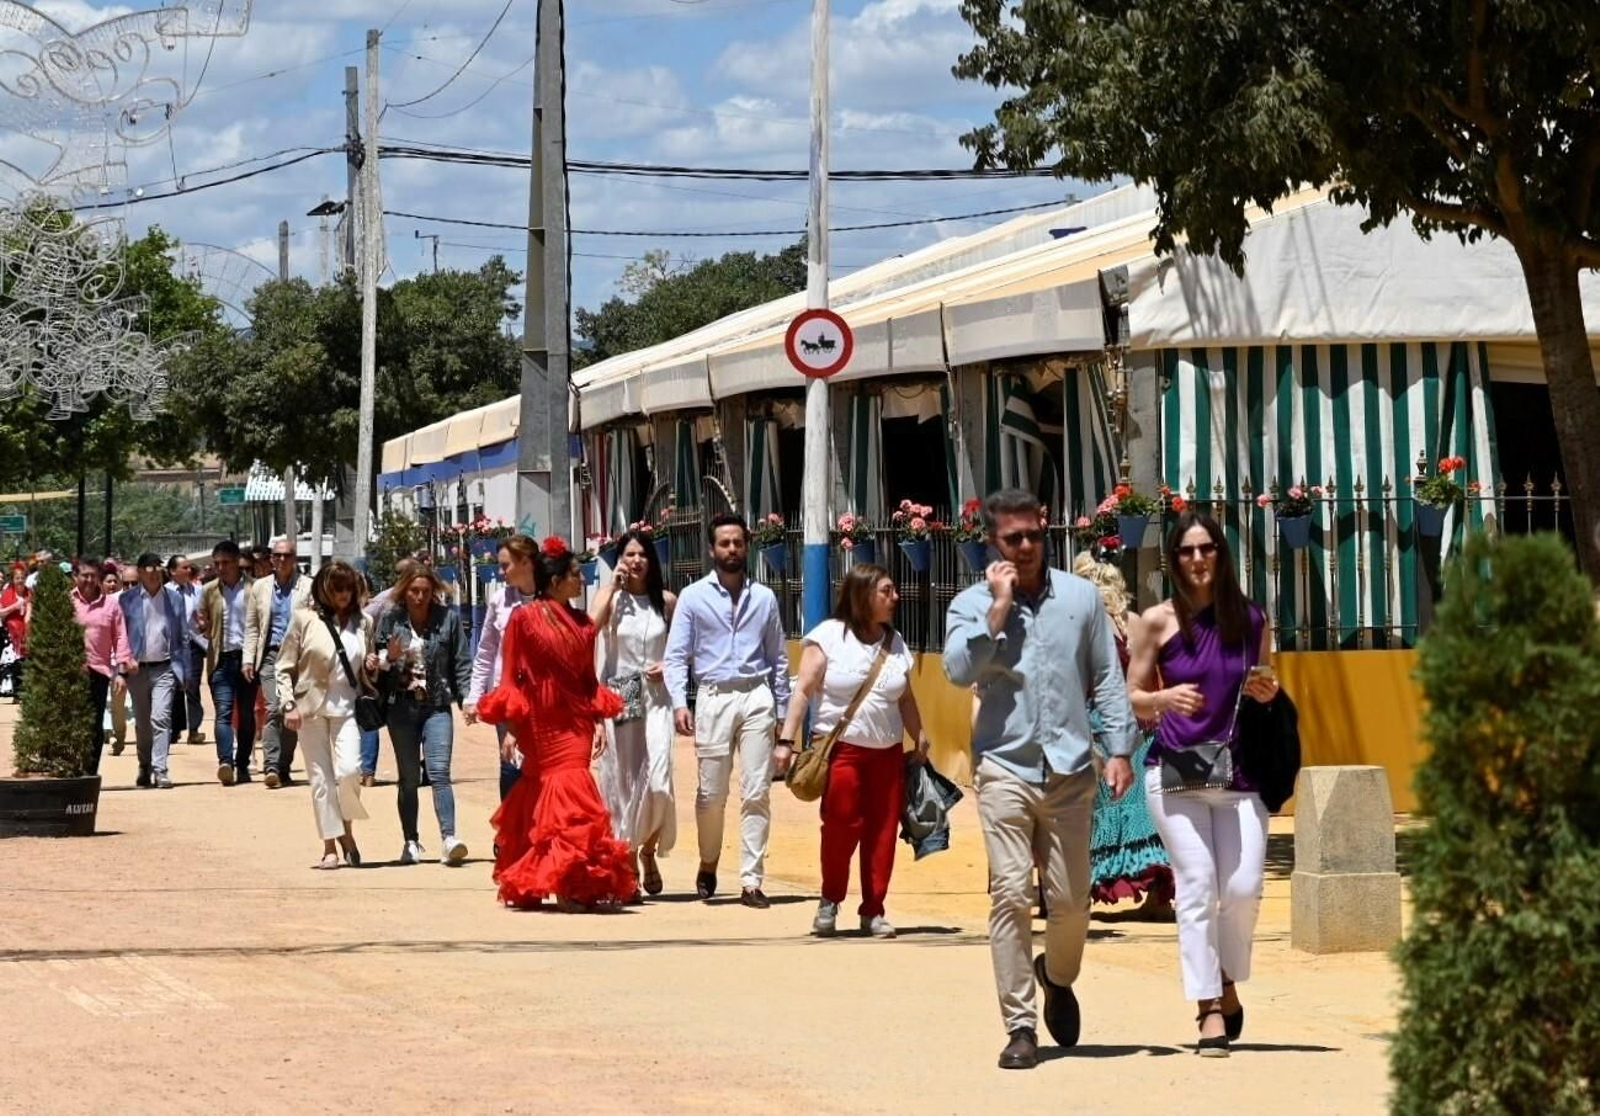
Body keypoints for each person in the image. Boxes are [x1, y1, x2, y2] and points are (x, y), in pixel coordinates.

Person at [942, 488, 1137, 1071]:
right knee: (1008, 893)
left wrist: (1120, 748)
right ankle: (1021, 1026)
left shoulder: (1080, 599)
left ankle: (1058, 976)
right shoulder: (972, 603)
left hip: (1072, 770)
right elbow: (957, 671)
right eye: (1013, 539)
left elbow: (1105, 676)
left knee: (1072, 901)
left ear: (1045, 530)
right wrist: (997, 613)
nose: (1026, 547)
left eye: (1033, 535)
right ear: (992, 545)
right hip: (1004, 765)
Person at [1127, 511, 1282, 1058]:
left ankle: (1227, 980)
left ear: (1221, 554)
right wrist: (1163, 699)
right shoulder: (1157, 621)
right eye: (1188, 550)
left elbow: (1263, 681)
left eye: (1207, 549)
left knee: (1241, 890)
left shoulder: (1252, 619)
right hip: (1176, 773)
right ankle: (1208, 1009)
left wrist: (1267, 690)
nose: (1197, 559)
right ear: (1175, 559)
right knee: (1197, 884)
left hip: (1241, 773)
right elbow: (1130, 696)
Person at [479, 536, 635, 909]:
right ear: (556, 582)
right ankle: (551, 877)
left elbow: (587, 678)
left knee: (572, 790)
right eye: (575, 575)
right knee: (544, 793)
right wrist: (513, 728)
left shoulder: (581, 621)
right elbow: (511, 676)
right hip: (540, 721)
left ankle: (569, 880)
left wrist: (598, 720)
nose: (580, 581)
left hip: (576, 723)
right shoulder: (522, 618)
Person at [780, 563, 927, 939]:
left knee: (881, 832)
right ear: (863, 595)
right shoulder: (828, 636)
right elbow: (803, 691)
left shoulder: (895, 643)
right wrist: (786, 740)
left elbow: (906, 697)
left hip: (887, 753)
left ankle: (873, 909)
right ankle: (830, 898)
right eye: (887, 591)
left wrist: (920, 735)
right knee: (841, 825)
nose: (895, 598)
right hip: (841, 751)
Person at [663, 513, 792, 909]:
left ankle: (751, 880)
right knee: (710, 794)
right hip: (713, 697)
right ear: (712, 549)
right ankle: (708, 860)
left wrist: (784, 716)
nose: (732, 549)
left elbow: (779, 659)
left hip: (756, 696)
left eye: (738, 542)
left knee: (757, 792)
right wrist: (678, 703)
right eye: (724, 543)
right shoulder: (693, 597)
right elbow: (675, 657)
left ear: (747, 546)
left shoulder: (765, 598)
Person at [1071, 552, 1174, 918]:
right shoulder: (1134, 622)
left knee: (1100, 810)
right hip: (1143, 725)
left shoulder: (1083, 625)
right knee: (1148, 810)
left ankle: (1083, 893)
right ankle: (1159, 898)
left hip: (1102, 728)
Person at [591, 529, 678, 899]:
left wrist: (668, 666)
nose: (636, 561)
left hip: (656, 693)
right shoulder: (611, 600)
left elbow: (682, 649)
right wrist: (611, 588)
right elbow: (588, 631)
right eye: (629, 554)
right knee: (623, 781)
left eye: (642, 554)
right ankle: (627, 859)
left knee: (659, 778)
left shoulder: (668, 601)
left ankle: (648, 849)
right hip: (621, 689)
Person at [275, 560, 374, 869]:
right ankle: (330, 846)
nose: (344, 595)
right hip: (310, 708)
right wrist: (288, 703)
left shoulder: (365, 622)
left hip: (348, 707)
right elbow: (283, 666)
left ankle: (347, 829)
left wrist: (373, 665)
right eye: (337, 588)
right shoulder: (304, 619)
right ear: (324, 589)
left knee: (349, 771)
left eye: (348, 588)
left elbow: (367, 671)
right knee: (321, 779)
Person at [377, 565, 472, 866]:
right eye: (414, 591)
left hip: (437, 705)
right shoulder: (391, 620)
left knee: (440, 773)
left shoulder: (448, 620)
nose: (420, 597)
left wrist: (467, 698)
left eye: (426, 592)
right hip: (401, 707)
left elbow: (461, 662)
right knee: (408, 778)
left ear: (434, 592)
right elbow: (375, 662)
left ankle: (449, 838)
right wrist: (387, 658)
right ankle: (411, 841)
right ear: (404, 591)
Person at [465, 539, 537, 800]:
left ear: (526, 562)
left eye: (505, 565)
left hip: (544, 697)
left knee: (543, 766)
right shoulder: (499, 601)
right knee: (511, 765)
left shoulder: (552, 597)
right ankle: (509, 835)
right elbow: (485, 651)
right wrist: (473, 697)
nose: (500, 572)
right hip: (508, 696)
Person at [116, 553, 190, 789]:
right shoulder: (127, 600)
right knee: (142, 723)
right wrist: (124, 663)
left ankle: (161, 769)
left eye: (156, 568)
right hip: (137, 669)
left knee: (161, 718)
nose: (153, 573)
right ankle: (144, 765)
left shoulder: (174, 599)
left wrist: (185, 671)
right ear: (139, 573)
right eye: (148, 569)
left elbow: (183, 636)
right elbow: (121, 636)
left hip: (165, 667)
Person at [246, 540, 313, 789]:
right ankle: (271, 765)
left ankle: (284, 766)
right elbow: (252, 626)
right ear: (271, 559)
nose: (282, 560)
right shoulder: (260, 588)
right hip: (271, 656)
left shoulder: (308, 586)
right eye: (278, 555)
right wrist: (248, 659)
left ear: (295, 559)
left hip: (300, 657)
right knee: (274, 707)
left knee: (292, 711)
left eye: (288, 555)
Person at [196, 540, 256, 785]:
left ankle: (242, 764)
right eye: (216, 563)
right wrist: (203, 626)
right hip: (221, 659)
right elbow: (203, 620)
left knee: (246, 715)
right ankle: (225, 762)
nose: (220, 567)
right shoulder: (209, 590)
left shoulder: (255, 588)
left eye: (225, 563)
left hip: (248, 660)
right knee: (223, 712)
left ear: (237, 562)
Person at [71, 556, 132, 778]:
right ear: (75, 577)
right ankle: (72, 768)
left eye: (92, 576)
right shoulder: (67, 603)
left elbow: (121, 639)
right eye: (84, 575)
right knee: (73, 723)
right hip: (71, 673)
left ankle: (89, 772)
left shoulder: (111, 605)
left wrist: (122, 673)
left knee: (94, 724)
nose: (88, 580)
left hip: (99, 672)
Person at [166, 555, 207, 746]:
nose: (188, 571)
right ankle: (174, 729)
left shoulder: (199, 592)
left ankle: (194, 729)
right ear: (172, 571)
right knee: (173, 687)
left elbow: (204, 617)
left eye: (189, 568)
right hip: (171, 646)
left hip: (193, 644)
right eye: (184, 568)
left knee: (192, 686)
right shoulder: (164, 592)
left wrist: (203, 623)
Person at [100, 562, 133, 755]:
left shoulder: (140, 601)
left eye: (134, 584)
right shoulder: (105, 603)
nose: (130, 589)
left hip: (130, 661)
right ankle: (113, 733)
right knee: (110, 701)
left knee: (121, 703)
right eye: (126, 584)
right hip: (109, 660)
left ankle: (122, 735)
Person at [0, 561, 29, 702]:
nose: (20, 580)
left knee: (24, 662)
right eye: (17, 578)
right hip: (10, 632)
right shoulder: (6, 594)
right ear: (13, 579)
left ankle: (21, 692)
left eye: (22, 577)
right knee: (14, 663)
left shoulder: (30, 592)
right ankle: (15, 692)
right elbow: (1, 613)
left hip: (26, 632)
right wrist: (15, 606)